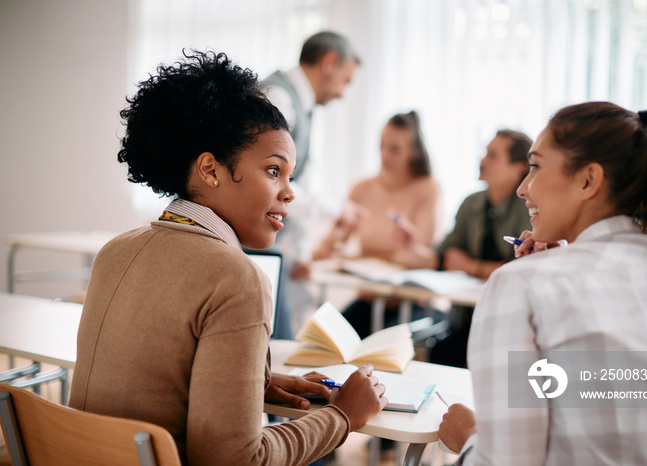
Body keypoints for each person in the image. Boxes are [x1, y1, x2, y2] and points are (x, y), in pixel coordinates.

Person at [68, 50, 387, 466]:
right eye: (274, 171)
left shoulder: (115, 251)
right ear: (210, 170)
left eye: (290, 176)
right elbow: (234, 460)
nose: (289, 192)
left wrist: (255, 381)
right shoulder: (237, 279)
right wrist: (342, 417)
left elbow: (146, 380)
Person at [438, 102, 647, 464]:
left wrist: (469, 437)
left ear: (588, 180)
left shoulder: (521, 287)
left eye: (536, 166)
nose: (523, 189)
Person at [393, 129, 532, 367]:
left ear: (518, 169)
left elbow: (524, 268)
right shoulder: (471, 203)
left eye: (493, 156)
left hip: (509, 321)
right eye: (484, 153)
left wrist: (471, 266)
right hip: (466, 317)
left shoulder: (529, 208)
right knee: (439, 353)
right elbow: (444, 257)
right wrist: (413, 250)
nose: (482, 161)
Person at [258, 31, 361, 339]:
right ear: (329, 63)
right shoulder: (277, 98)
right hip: (256, 250)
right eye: (346, 80)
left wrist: (301, 253)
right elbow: (274, 184)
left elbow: (297, 183)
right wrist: (337, 209)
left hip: (279, 252)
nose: (343, 93)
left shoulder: (301, 107)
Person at [312, 111, 442, 339]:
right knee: (324, 338)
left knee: (384, 345)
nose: (384, 155)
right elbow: (326, 247)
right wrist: (337, 238)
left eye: (394, 149)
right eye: (381, 146)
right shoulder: (361, 187)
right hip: (369, 299)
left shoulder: (428, 188)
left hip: (408, 305)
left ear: (413, 152)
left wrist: (405, 252)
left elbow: (425, 256)